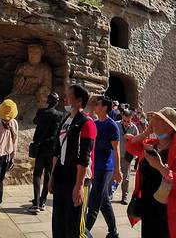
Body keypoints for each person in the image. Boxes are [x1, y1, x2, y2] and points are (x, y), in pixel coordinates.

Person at [126, 107, 176, 238]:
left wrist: (160, 168)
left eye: (159, 120)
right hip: (148, 207)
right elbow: (131, 146)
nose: (153, 121)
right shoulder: (152, 144)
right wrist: (145, 133)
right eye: (154, 118)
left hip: (167, 212)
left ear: (169, 127)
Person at [49, 84, 97, 238]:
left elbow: (84, 157)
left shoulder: (87, 123)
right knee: (58, 222)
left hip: (77, 179)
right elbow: (57, 151)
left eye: (69, 96)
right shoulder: (66, 120)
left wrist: (79, 185)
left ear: (79, 101)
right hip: (61, 177)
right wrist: (52, 176)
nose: (65, 99)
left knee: (75, 227)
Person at [85, 96, 121, 238]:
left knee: (94, 203)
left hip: (105, 168)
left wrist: (117, 170)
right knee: (104, 201)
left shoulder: (111, 125)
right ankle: (113, 232)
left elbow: (116, 150)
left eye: (98, 104)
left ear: (105, 107)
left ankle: (82, 232)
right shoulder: (95, 123)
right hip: (95, 167)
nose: (95, 106)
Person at [29, 91, 63, 214]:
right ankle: (43, 201)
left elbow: (35, 121)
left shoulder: (41, 112)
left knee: (37, 174)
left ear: (47, 101)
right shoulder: (60, 115)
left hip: (41, 146)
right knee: (48, 174)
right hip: (52, 148)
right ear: (56, 102)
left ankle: (36, 203)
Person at [116, 109, 138, 205]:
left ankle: (124, 196)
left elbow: (138, 141)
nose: (126, 123)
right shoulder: (116, 125)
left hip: (127, 156)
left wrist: (131, 138)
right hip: (116, 154)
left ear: (131, 119)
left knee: (126, 177)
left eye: (128, 121)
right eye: (124, 120)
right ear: (122, 117)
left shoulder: (134, 128)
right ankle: (108, 194)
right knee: (112, 176)